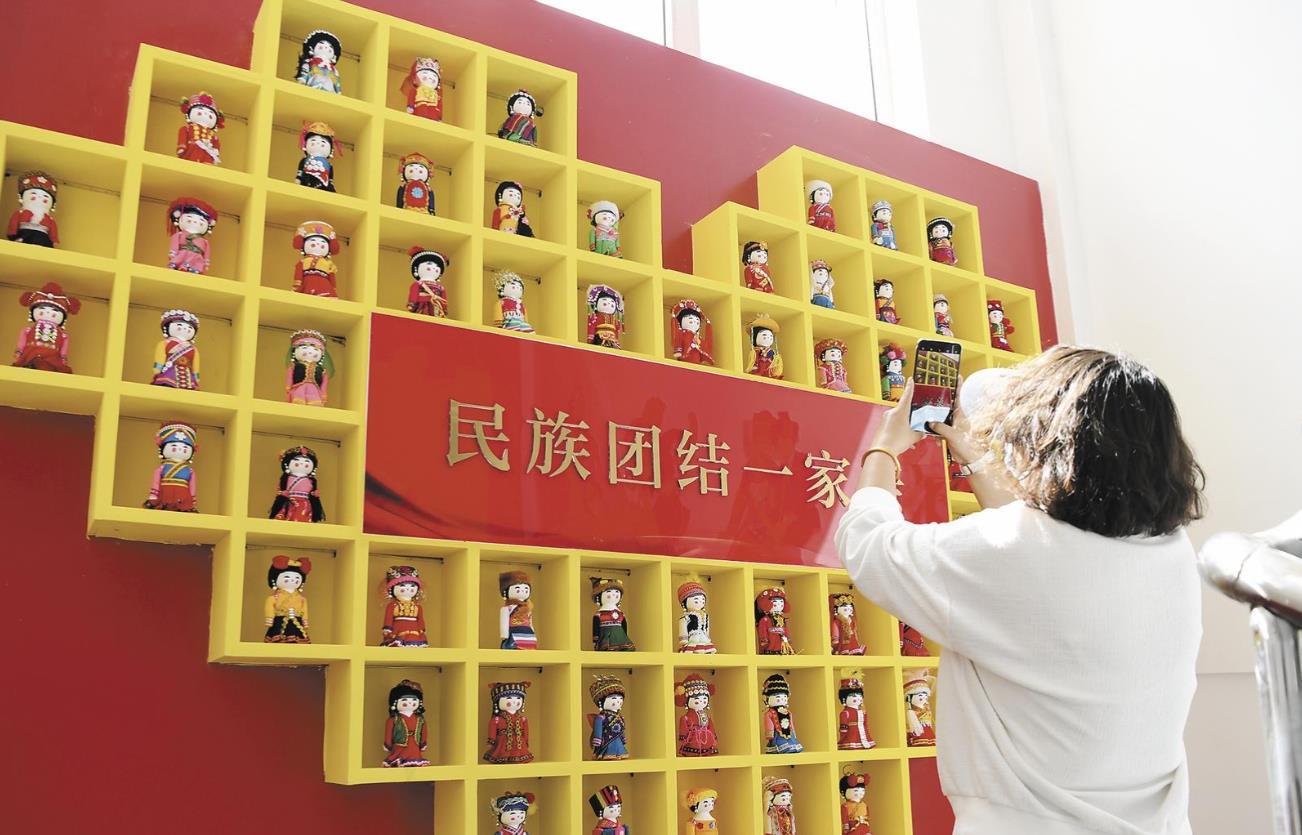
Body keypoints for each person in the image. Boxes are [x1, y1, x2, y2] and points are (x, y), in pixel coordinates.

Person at [835, 346, 1204, 835]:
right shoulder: (1171, 553)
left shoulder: (1013, 552)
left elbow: (870, 545)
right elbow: (1032, 556)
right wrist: (974, 460)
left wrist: (883, 446)